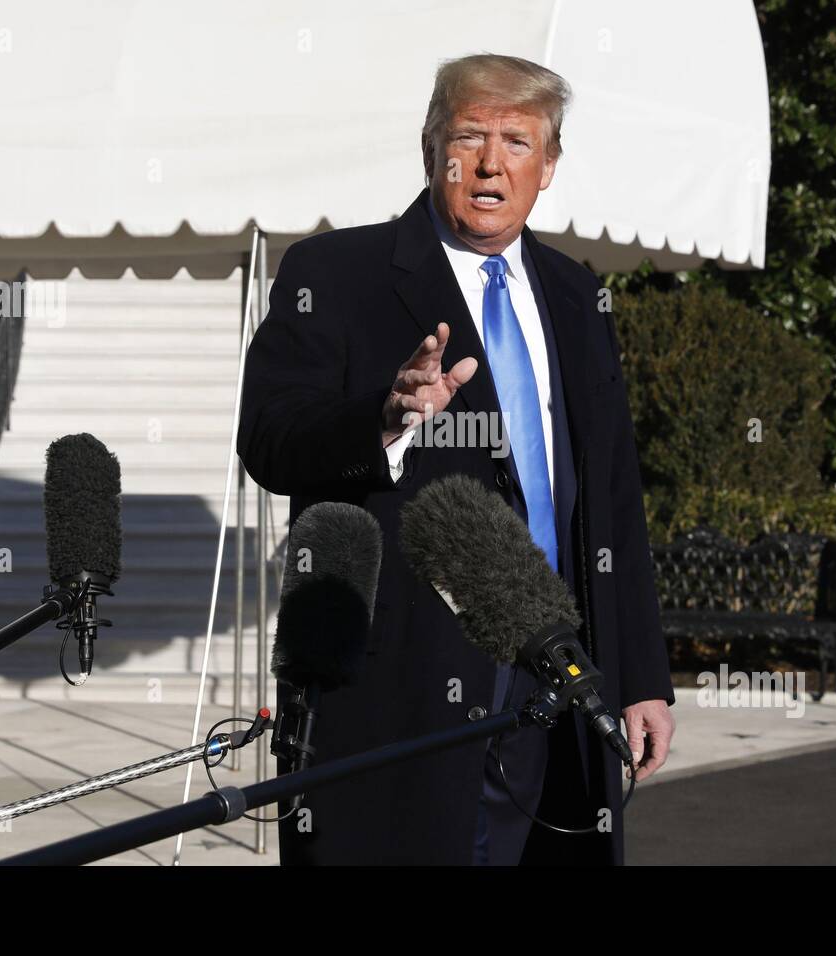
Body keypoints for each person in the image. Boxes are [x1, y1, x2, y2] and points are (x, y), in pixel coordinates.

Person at [238, 53, 674, 865]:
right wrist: (385, 418)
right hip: (403, 681)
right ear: (432, 145)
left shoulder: (579, 295)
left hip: (562, 672)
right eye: (469, 135)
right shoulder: (335, 275)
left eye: (516, 140)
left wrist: (641, 674)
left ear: (548, 166)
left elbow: (613, 496)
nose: (489, 162)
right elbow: (270, 439)